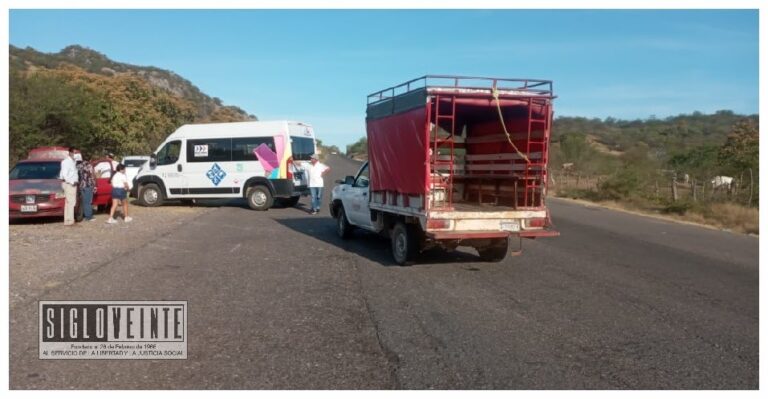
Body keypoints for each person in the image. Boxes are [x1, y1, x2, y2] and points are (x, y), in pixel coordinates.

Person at [58, 147, 79, 226]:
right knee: (71, 202)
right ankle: (70, 220)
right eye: (74, 152)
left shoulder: (73, 162)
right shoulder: (66, 162)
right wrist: (71, 182)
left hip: (71, 183)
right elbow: (64, 174)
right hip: (69, 184)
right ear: (70, 153)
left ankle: (68, 220)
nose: (75, 154)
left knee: (68, 202)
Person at [76, 153, 97, 222]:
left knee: (84, 201)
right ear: (90, 159)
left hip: (81, 185)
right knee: (88, 201)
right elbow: (93, 175)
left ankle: (86, 214)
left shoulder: (79, 165)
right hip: (88, 185)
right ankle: (89, 217)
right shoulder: (89, 165)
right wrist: (95, 185)